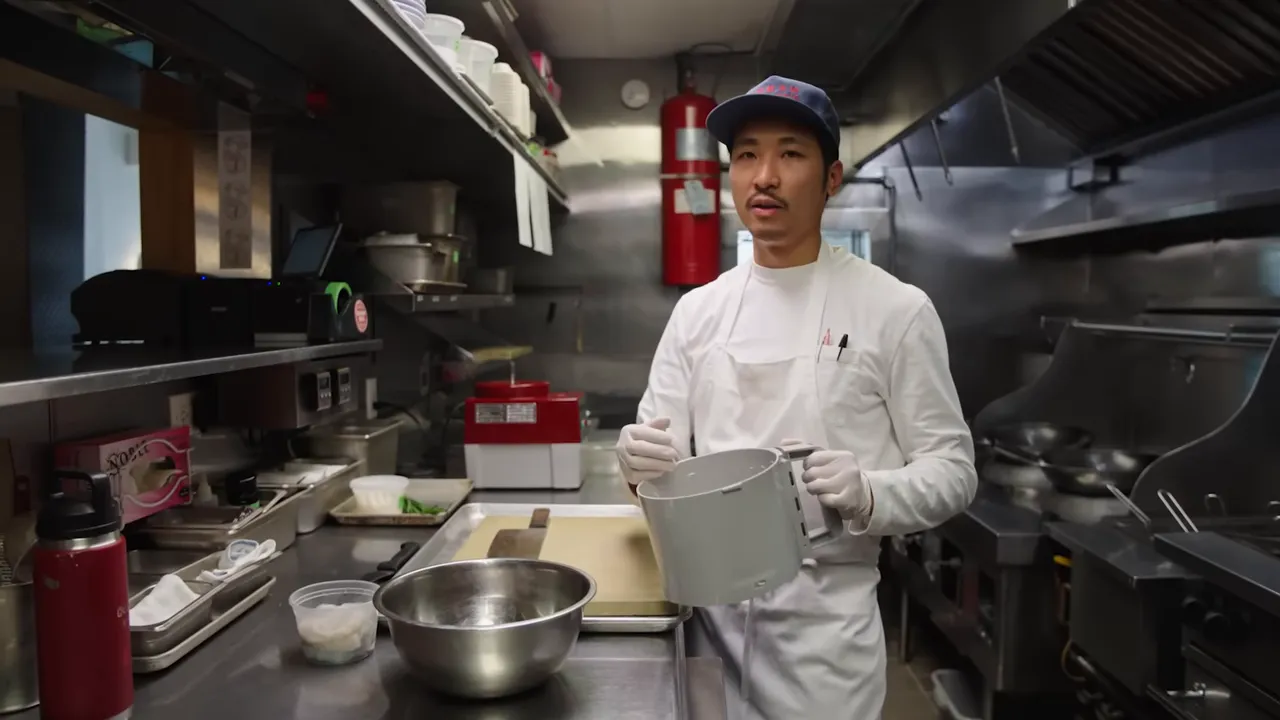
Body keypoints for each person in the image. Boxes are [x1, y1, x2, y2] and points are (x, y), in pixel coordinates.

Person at [616, 76, 977, 720]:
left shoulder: (895, 310)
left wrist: (872, 492)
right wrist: (636, 468)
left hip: (826, 647)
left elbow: (953, 472)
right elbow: (661, 468)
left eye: (790, 154)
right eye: (747, 155)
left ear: (832, 178)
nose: (765, 177)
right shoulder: (698, 312)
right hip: (706, 630)